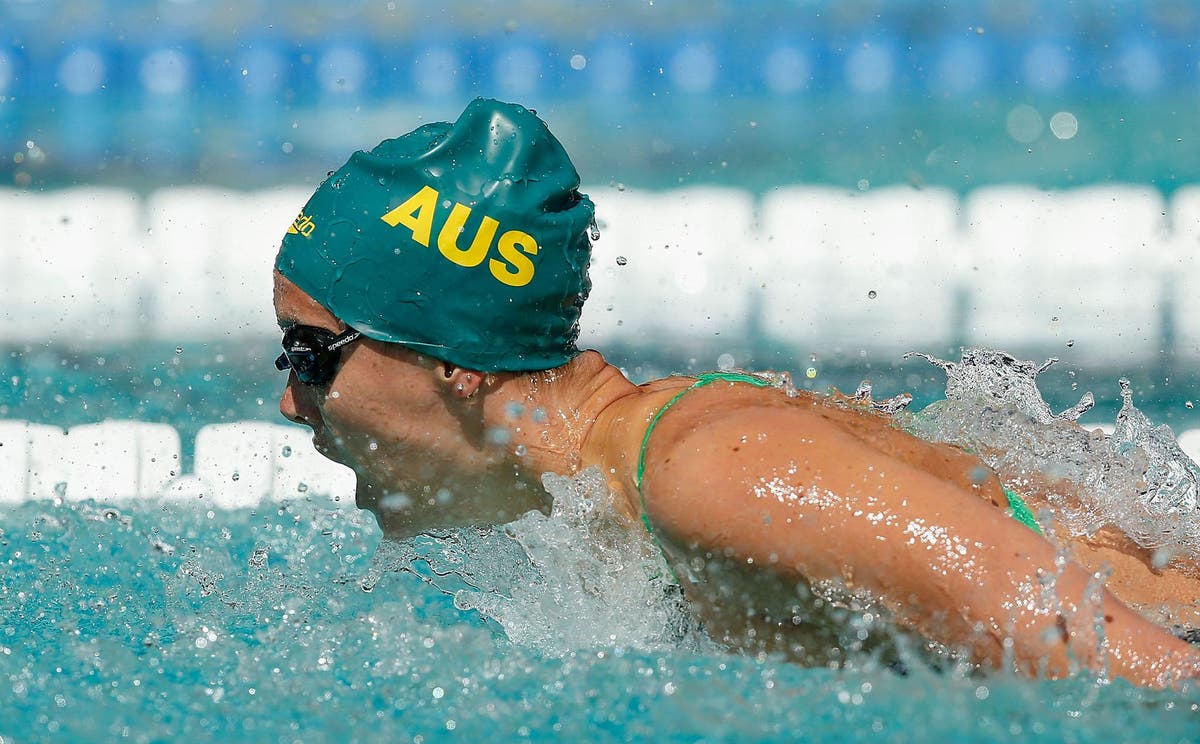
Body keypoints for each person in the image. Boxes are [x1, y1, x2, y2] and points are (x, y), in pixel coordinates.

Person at [272, 98, 1200, 690]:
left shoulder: (714, 472)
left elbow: (1142, 671)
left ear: (455, 362)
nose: (291, 403)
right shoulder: (623, 495)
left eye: (311, 355)